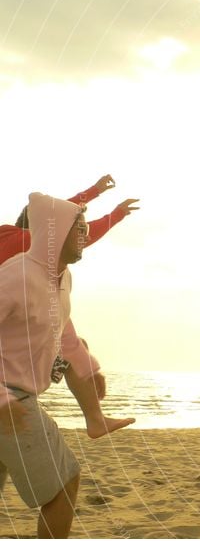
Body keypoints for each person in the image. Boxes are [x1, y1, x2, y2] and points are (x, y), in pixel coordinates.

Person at [0, 175, 138, 439]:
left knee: (74, 345)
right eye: (72, 227)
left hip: (22, 319)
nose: (79, 233)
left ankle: (94, 418)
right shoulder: (25, 245)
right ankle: (95, 420)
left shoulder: (25, 255)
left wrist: (99, 196)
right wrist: (110, 207)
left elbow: (69, 215)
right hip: (13, 335)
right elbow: (68, 214)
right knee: (75, 350)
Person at [0, 193, 103, 537]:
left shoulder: (62, 279)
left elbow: (59, 335)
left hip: (18, 395)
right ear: (55, 232)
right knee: (63, 486)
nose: (86, 235)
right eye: (80, 229)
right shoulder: (16, 276)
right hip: (11, 397)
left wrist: (83, 366)